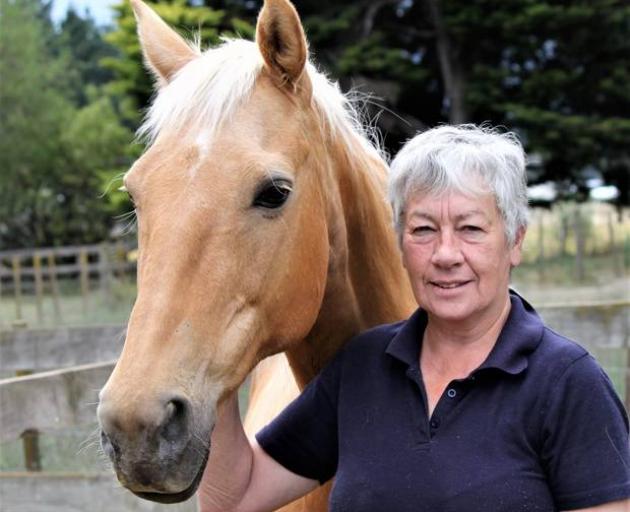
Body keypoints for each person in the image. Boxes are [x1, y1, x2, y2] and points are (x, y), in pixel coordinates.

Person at [198, 124, 630, 512]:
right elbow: (235, 498)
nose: (445, 255)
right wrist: (215, 366)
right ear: (401, 244)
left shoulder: (568, 382)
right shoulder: (362, 366)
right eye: (423, 229)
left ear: (515, 242)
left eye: (471, 229)